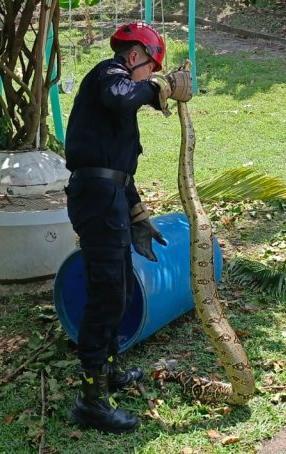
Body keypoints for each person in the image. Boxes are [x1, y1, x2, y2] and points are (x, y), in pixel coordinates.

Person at [63, 21, 191, 433]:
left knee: (119, 290)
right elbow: (122, 97)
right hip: (95, 199)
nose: (151, 78)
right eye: (150, 69)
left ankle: (110, 370)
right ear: (134, 56)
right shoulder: (110, 74)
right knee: (105, 295)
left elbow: (119, 170)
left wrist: (138, 215)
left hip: (110, 197)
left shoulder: (115, 105)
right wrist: (160, 88)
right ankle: (91, 400)